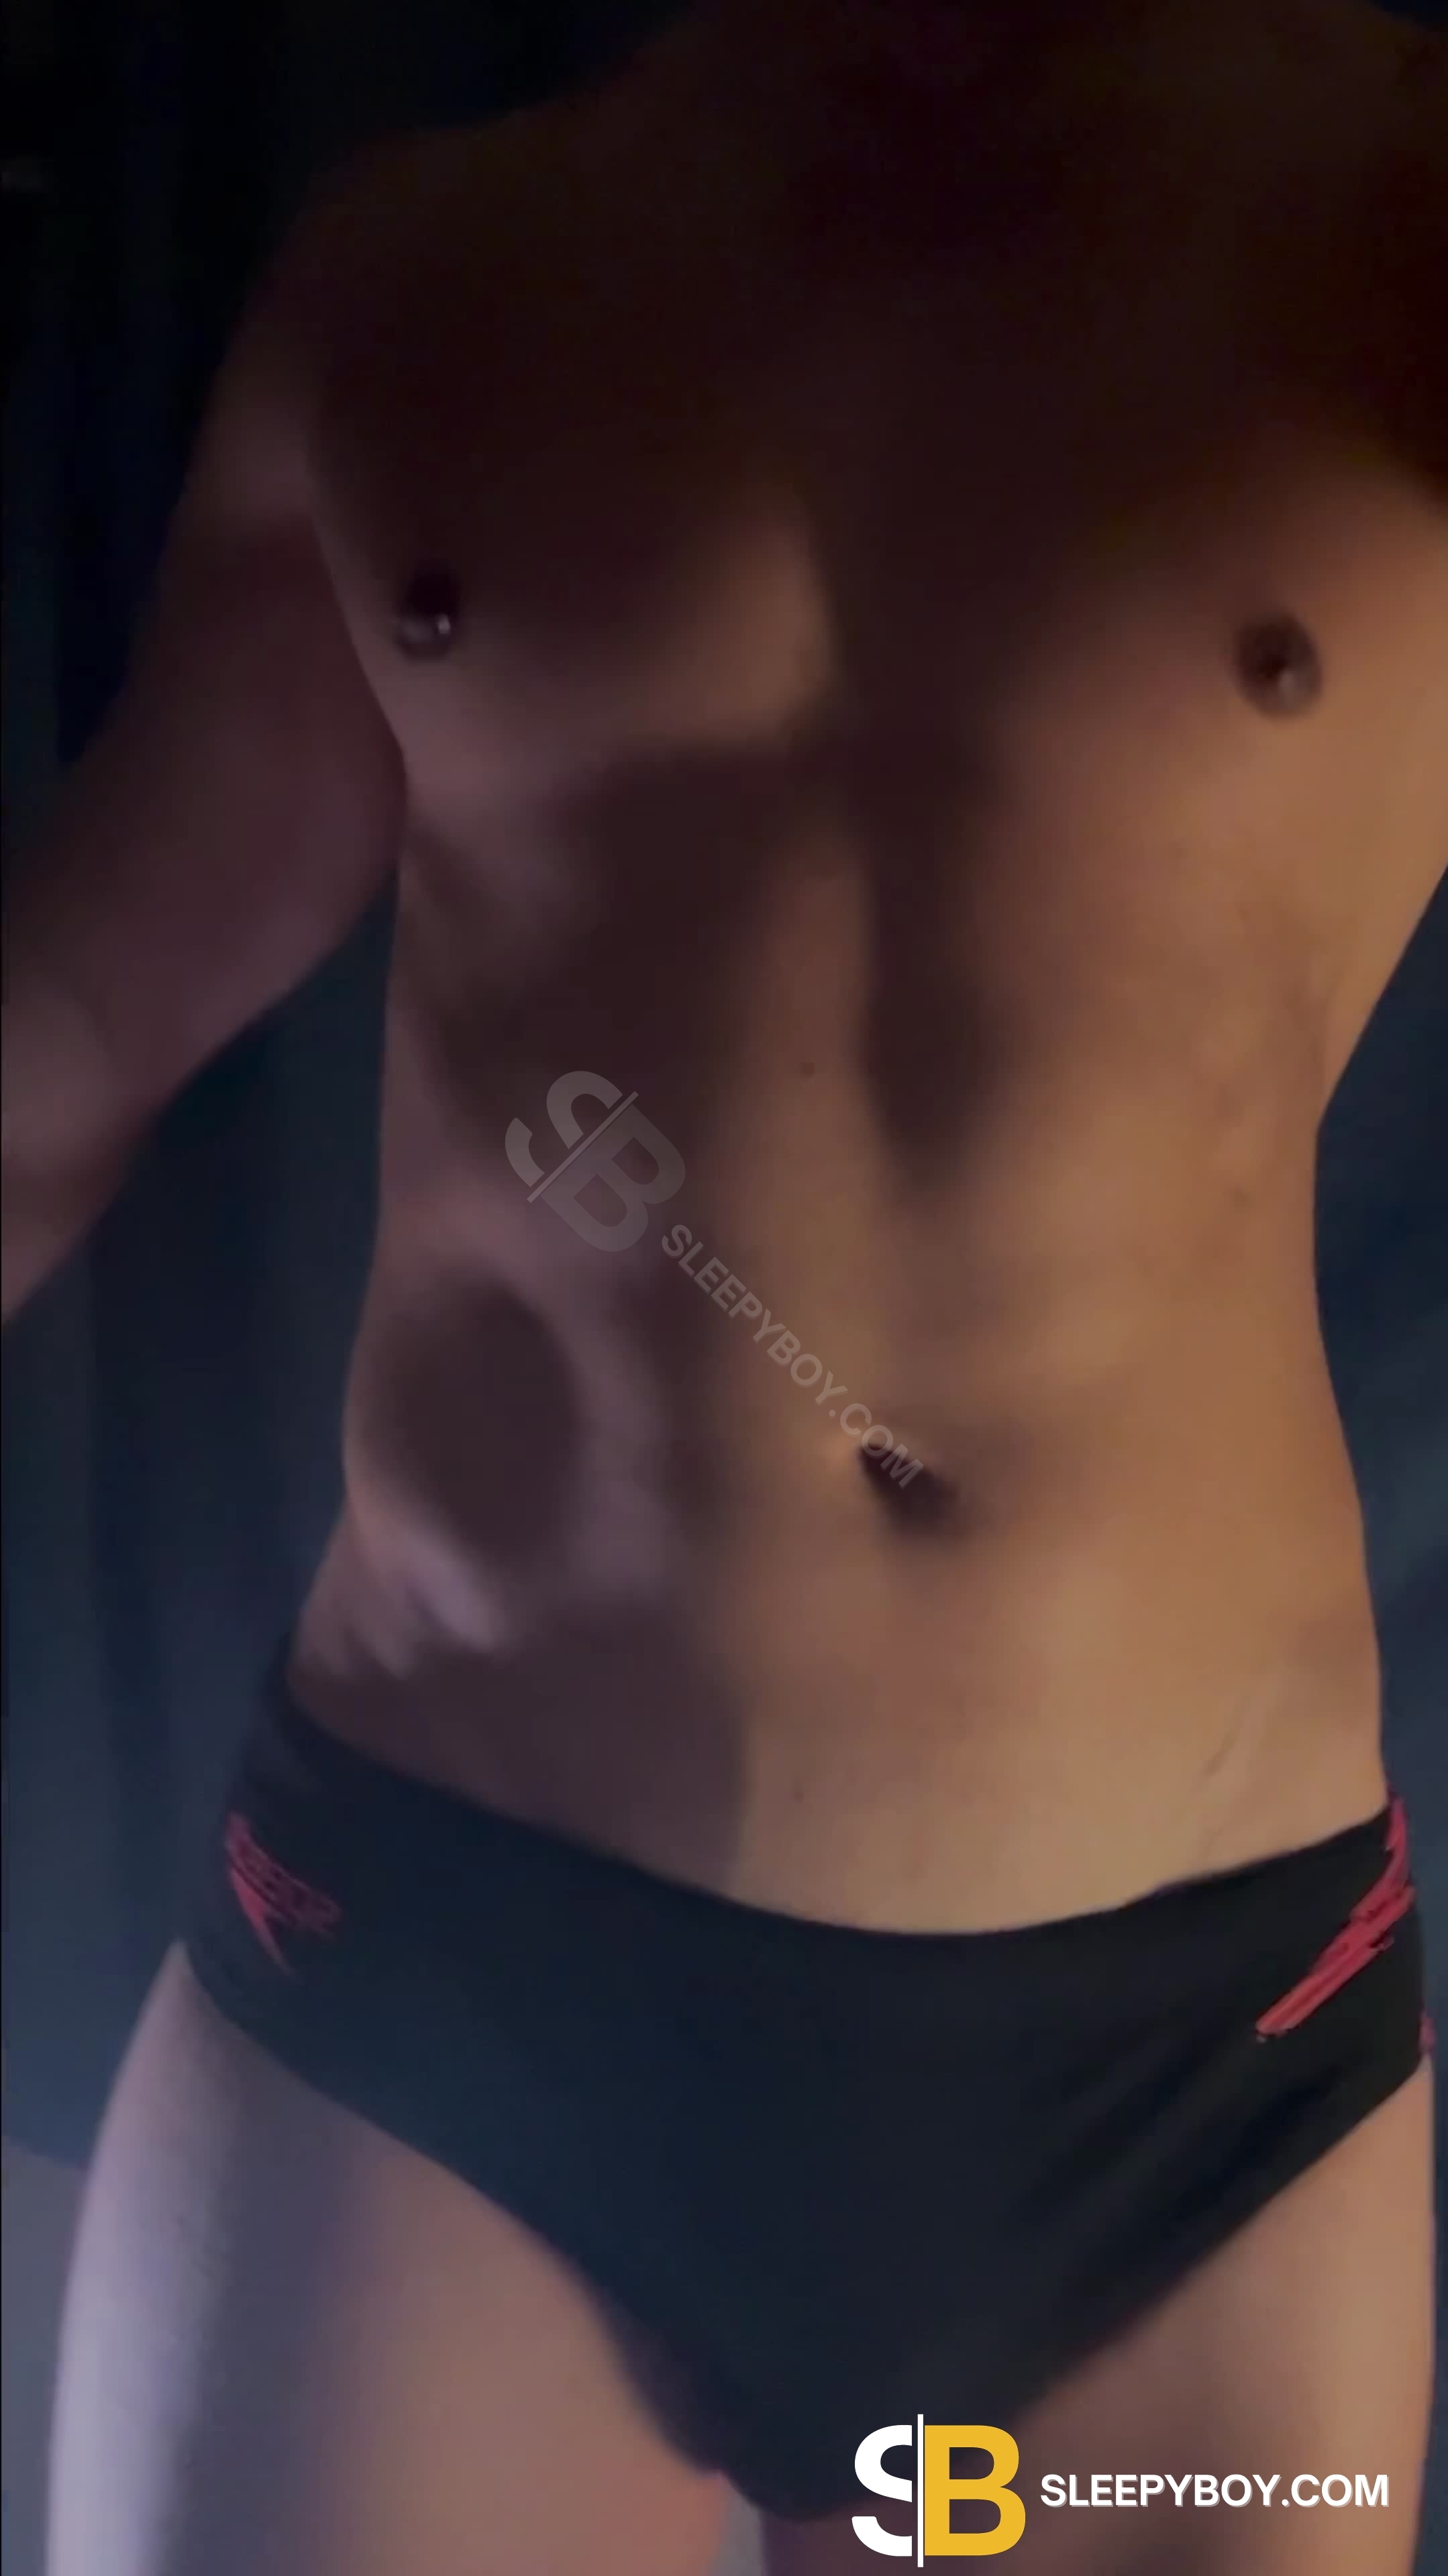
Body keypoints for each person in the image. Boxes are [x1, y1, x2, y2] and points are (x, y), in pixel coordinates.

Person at [4, 1, 1445, 2567]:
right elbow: (81, 1028)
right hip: (448, 1997)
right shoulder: (438, 274)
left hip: (1180, 2087)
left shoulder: (1397, 223)